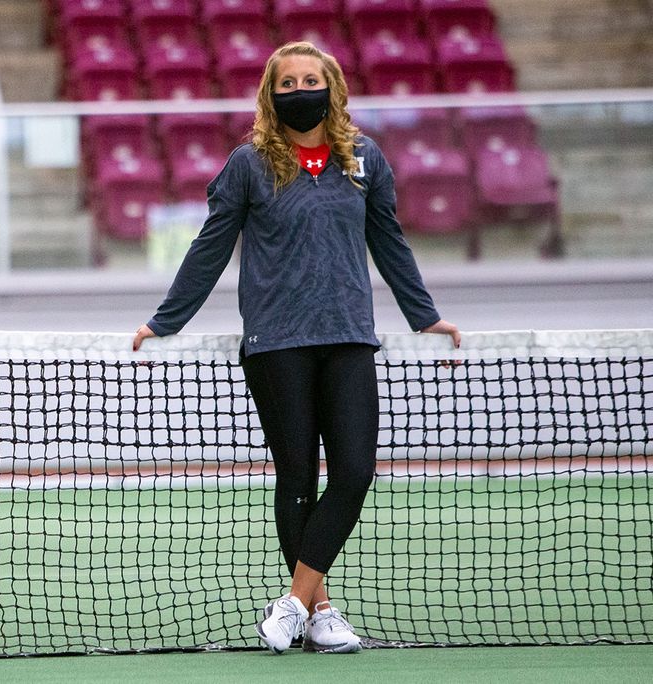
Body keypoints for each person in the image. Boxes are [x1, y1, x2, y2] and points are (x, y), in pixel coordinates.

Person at [132, 41, 460, 655]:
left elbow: (389, 241)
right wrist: (166, 320)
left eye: (311, 80)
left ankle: (293, 604)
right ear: (270, 94)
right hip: (276, 342)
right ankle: (322, 610)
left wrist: (426, 315)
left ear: (332, 87)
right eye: (288, 83)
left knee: (356, 472)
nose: (300, 91)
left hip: (349, 338)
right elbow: (210, 246)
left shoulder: (365, 161)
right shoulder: (248, 163)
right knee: (298, 478)